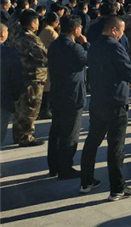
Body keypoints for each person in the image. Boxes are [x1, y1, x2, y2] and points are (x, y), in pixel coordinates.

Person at [80, 16, 131, 200]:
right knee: (116, 146)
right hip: (115, 100)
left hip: (98, 99)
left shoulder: (94, 46)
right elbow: (129, 70)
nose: (122, 34)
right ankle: (117, 187)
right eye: (121, 31)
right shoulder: (115, 47)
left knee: (92, 141)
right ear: (114, 30)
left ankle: (86, 181)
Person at [47, 15, 89, 179]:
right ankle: (65, 167)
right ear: (76, 30)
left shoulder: (55, 45)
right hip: (72, 94)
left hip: (57, 91)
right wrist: (85, 43)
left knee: (56, 130)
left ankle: (54, 166)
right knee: (70, 133)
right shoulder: (75, 48)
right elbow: (89, 59)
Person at [11, 9, 48, 147]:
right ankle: (26, 136)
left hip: (21, 76)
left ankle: (18, 134)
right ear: (32, 23)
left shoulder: (17, 35)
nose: (38, 24)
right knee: (31, 108)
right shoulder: (31, 39)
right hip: (32, 77)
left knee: (21, 108)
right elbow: (44, 56)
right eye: (37, 21)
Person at [1, 23, 23, 145]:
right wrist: (16, 96)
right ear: (3, 34)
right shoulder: (10, 53)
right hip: (3, 99)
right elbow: (16, 78)